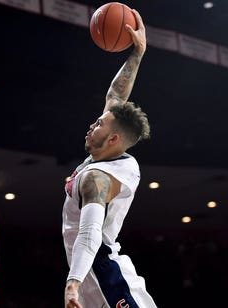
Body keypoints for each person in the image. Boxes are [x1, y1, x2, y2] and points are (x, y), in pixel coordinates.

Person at [62, 9, 157, 308]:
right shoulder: (109, 159)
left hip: (106, 279)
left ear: (114, 139)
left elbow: (90, 232)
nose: (93, 124)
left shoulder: (98, 178)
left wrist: (72, 283)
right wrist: (138, 53)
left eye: (100, 124)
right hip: (95, 278)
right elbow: (115, 97)